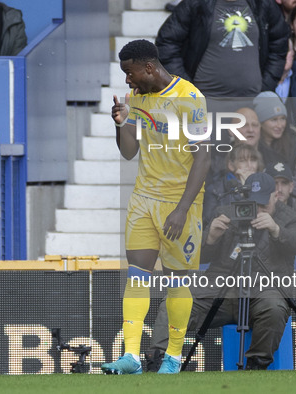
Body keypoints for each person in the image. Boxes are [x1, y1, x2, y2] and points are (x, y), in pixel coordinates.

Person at [100, 39, 210, 375]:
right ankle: (131, 356)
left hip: (180, 203)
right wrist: (121, 123)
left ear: (149, 67)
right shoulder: (137, 98)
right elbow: (129, 151)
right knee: (137, 274)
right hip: (144, 198)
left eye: (129, 73)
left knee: (178, 281)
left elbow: (203, 157)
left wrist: (182, 208)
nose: (127, 81)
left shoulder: (190, 98)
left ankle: (173, 358)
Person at [146, 172, 296, 371]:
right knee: (177, 299)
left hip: (265, 288)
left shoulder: (291, 218)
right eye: (254, 204)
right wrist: (209, 237)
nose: (257, 211)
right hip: (220, 286)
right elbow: (196, 258)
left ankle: (256, 365)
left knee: (275, 307)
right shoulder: (226, 212)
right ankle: (158, 359)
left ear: (276, 196)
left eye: (264, 205)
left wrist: (276, 229)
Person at [155, 0, 290, 96]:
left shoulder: (263, 4)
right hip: (203, 102)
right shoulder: (195, 3)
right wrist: (186, 87)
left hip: (252, 104)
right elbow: (166, 42)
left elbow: (279, 44)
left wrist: (265, 86)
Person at [204, 143, 264, 224]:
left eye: (253, 160)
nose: (250, 166)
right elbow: (208, 219)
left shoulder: (265, 186)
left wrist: (251, 190)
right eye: (243, 161)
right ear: (231, 165)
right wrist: (242, 191)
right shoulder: (215, 189)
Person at [253, 91, 296, 169]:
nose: (280, 125)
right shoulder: (252, 144)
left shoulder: (294, 140)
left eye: (283, 119)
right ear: (260, 122)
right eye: (274, 120)